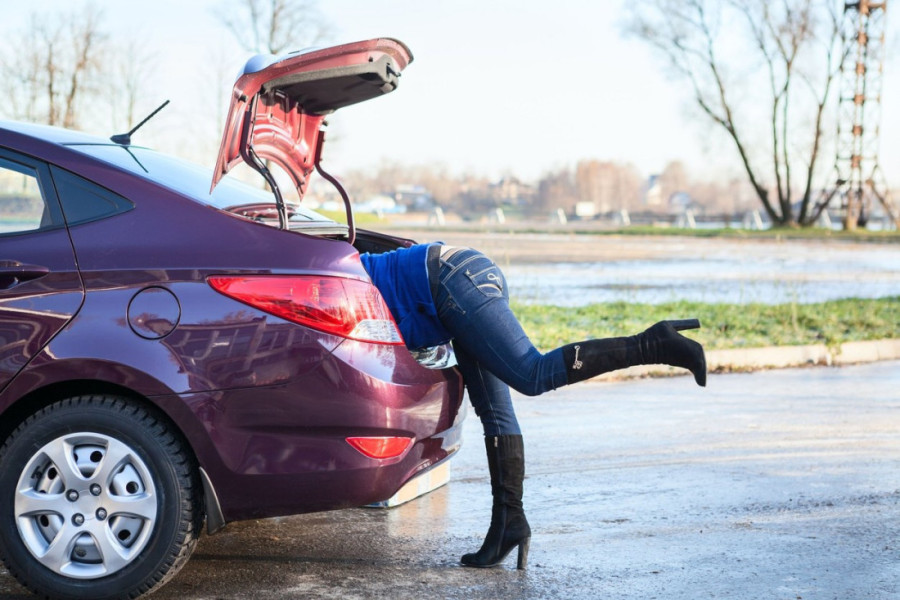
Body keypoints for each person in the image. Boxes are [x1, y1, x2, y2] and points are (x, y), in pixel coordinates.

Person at [360, 242, 706, 570]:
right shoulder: (338, 271)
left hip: (453, 282)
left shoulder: (336, 277)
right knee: (495, 413)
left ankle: (653, 344)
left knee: (532, 373)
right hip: (456, 284)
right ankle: (509, 523)